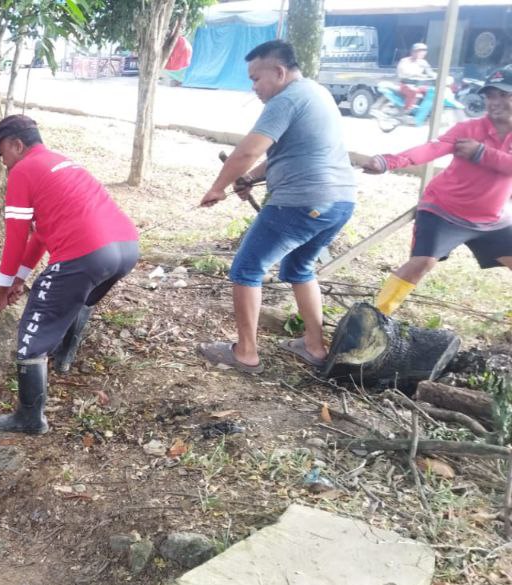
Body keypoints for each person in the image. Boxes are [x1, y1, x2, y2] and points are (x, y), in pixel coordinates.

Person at [199, 40, 357, 373]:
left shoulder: (285, 100)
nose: (254, 87)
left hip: (301, 203)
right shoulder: (316, 92)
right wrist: (249, 179)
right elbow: (290, 152)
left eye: (256, 78)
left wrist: (218, 188)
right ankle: (314, 346)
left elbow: (247, 151)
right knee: (300, 268)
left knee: (246, 269)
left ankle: (246, 353)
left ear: (280, 71)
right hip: (340, 203)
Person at [0, 115, 139, 435]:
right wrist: (19, 279)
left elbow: (16, 237)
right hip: (126, 248)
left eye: (3, 153)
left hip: (86, 255)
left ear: (17, 144)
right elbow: (40, 235)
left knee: (32, 331)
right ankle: (64, 358)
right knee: (78, 297)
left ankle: (30, 417)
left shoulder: (23, 171)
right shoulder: (62, 163)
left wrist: (0, 291)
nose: (3, 163)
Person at [363, 64, 512, 315]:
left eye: (504, 94)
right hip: (444, 211)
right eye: (490, 96)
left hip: (492, 219)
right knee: (421, 263)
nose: (495, 102)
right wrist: (389, 161)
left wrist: (481, 153)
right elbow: (432, 149)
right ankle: (373, 318)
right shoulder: (468, 129)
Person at [397, 43, 435, 114]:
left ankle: (427, 111)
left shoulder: (423, 62)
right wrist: (419, 75)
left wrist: (439, 76)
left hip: (419, 85)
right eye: (419, 51)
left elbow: (430, 73)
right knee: (413, 91)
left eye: (423, 52)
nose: (421, 53)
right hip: (406, 84)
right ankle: (406, 111)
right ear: (413, 52)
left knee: (433, 91)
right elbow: (403, 73)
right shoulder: (405, 61)